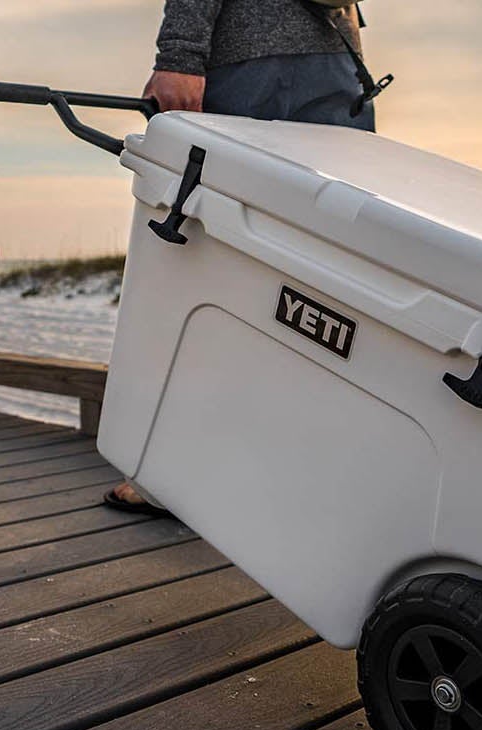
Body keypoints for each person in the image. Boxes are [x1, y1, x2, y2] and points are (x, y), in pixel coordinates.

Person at [104, 0, 379, 516]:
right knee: (317, 279)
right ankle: (283, 469)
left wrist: (180, 55)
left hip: (258, 62)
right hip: (336, 60)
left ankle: (176, 470)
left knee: (213, 265)